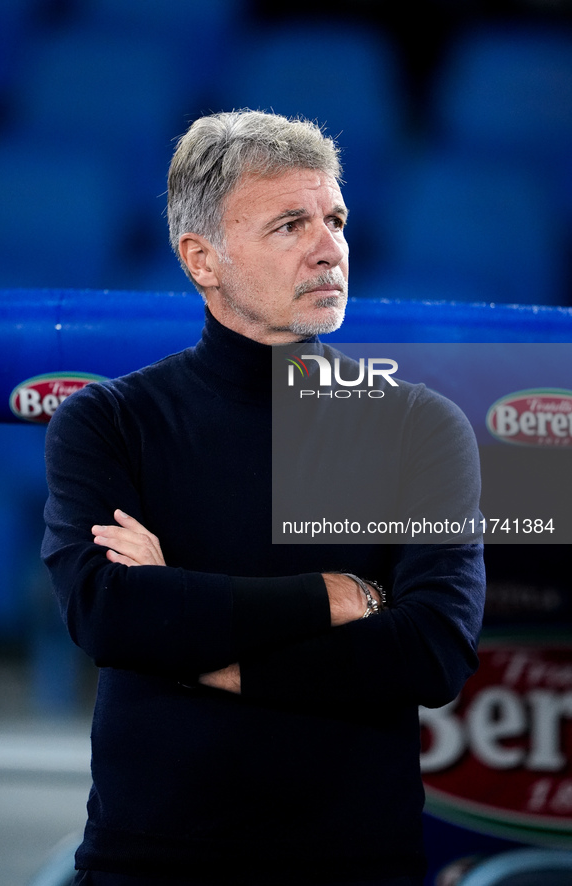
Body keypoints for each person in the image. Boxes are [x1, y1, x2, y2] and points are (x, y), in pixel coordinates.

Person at [42, 110, 485, 886]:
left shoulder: (419, 423)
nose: (329, 248)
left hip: (356, 864)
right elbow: (110, 615)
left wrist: (202, 647)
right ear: (202, 260)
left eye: (334, 219)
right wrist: (337, 595)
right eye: (290, 224)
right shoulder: (109, 420)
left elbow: (432, 651)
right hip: (148, 863)